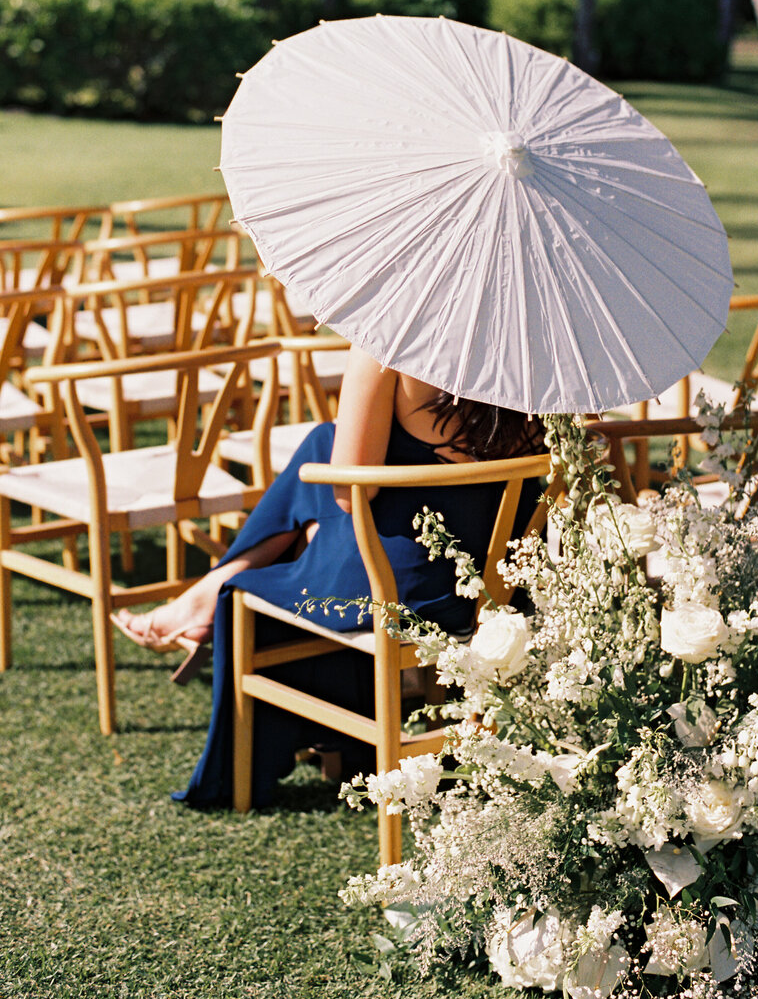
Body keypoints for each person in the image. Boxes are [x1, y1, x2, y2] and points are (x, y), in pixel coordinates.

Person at [112, 346, 545, 807]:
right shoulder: (551, 355)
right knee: (324, 441)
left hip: (393, 593)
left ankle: (215, 586)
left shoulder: (395, 343)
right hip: (494, 587)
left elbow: (348, 493)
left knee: (324, 459)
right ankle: (214, 588)